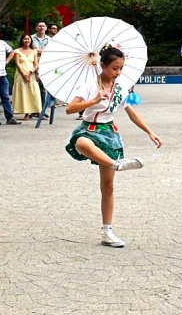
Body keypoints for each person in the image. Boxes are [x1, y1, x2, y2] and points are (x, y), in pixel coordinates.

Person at [65, 45, 163, 248]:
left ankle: (107, 232)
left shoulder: (120, 87)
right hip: (89, 129)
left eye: (121, 68)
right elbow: (70, 109)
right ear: (103, 65)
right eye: (114, 68)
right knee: (81, 142)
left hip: (109, 133)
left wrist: (150, 132)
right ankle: (117, 164)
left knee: (108, 186)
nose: (118, 73)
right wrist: (93, 100)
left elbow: (131, 113)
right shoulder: (90, 84)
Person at [9, 34, 42, 120]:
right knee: (24, 93)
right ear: (22, 40)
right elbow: (17, 64)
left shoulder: (34, 51)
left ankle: (38, 112)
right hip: (21, 74)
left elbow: (36, 64)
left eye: (28, 39)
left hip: (31, 74)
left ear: (31, 40)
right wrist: (24, 74)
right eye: (25, 39)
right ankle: (26, 113)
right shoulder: (17, 51)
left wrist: (30, 72)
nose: (27, 40)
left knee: (34, 92)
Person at [31, 21, 56, 108]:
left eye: (43, 26)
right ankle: (33, 109)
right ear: (36, 28)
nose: (41, 28)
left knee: (42, 88)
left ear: (46, 28)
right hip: (32, 64)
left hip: (45, 65)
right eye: (40, 26)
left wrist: (38, 50)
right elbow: (28, 50)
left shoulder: (50, 40)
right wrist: (39, 51)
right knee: (33, 87)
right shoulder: (31, 38)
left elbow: (53, 52)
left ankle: (41, 109)